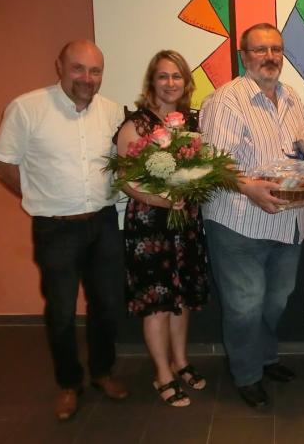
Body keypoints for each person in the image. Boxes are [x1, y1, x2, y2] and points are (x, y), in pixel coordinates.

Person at [0, 40, 128, 420]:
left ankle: (102, 372)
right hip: (56, 229)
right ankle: (69, 383)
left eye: (95, 71)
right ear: (60, 67)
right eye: (78, 69)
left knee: (107, 306)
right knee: (62, 312)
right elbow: (2, 165)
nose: (87, 78)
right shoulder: (27, 108)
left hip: (103, 223)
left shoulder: (113, 111)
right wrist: (39, 196)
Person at [199, 23, 304, 409]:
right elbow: (212, 164)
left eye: (276, 49)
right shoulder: (226, 101)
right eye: (260, 50)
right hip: (238, 220)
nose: (270, 57)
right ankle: (247, 374)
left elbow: (302, 155)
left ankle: (264, 357)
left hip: (288, 220)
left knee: (277, 300)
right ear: (244, 56)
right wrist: (248, 186)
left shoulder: (293, 98)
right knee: (245, 303)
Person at [113, 50, 208, 407]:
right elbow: (125, 181)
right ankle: (162, 374)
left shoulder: (191, 124)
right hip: (150, 225)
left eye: (177, 76)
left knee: (180, 298)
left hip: (185, 222)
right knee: (157, 301)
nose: (170, 83)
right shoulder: (134, 125)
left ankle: (180, 361)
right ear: (151, 81)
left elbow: (201, 168)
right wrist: (161, 201)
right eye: (163, 76)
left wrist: (192, 190)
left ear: (186, 82)